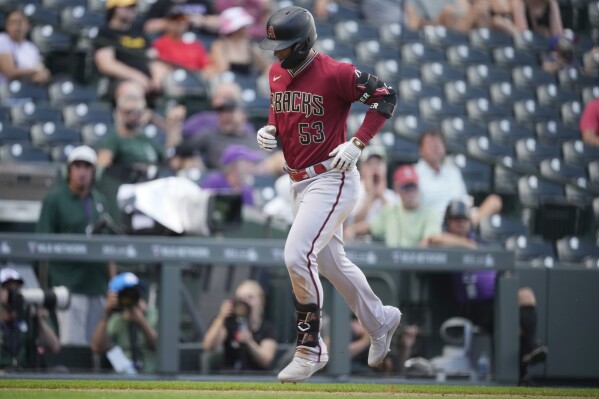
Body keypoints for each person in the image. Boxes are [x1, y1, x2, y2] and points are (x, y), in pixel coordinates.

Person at [256, 6, 401, 382]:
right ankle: (380, 320)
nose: (277, 53)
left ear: (304, 43)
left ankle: (310, 347)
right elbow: (281, 108)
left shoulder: (336, 72)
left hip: (332, 178)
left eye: (285, 46)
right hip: (298, 182)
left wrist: (358, 141)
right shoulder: (276, 72)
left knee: (296, 254)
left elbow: (386, 96)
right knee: (333, 265)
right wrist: (271, 128)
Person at [425, 200, 548, 383]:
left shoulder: (478, 240)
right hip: (472, 306)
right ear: (449, 222)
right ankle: (525, 364)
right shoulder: (449, 241)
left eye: (464, 219)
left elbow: (496, 201)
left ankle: (527, 354)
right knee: (511, 321)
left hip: (494, 300)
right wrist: (467, 244)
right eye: (456, 219)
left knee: (525, 296)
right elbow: (432, 240)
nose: (460, 223)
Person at [36, 146, 117, 346]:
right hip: (69, 286)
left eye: (87, 167)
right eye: (77, 166)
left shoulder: (99, 200)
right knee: (72, 346)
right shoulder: (55, 199)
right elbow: (41, 244)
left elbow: (109, 247)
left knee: (94, 348)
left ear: (93, 172)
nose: (82, 172)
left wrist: (112, 286)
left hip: (97, 286)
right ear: (69, 170)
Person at [96, 83, 166, 218]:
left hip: (151, 192)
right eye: (128, 112)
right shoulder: (115, 139)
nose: (133, 116)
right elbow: (101, 167)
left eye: (137, 112)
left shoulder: (146, 140)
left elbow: (169, 159)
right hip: (127, 192)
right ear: (119, 113)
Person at [415, 130, 503, 226]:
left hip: (460, 217)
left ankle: (466, 228)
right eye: (430, 144)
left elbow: (463, 199)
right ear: (421, 150)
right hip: (434, 223)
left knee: (494, 201)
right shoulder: (414, 173)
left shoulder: (453, 172)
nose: (436, 147)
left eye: (439, 143)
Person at [94, 0, 170, 97]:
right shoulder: (106, 34)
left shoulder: (140, 34)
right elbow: (107, 65)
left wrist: (157, 78)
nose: (132, 10)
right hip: (120, 80)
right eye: (128, 7)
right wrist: (137, 77)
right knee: (131, 90)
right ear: (114, 8)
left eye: (134, 6)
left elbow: (154, 58)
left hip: (147, 80)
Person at [202, 279, 277, 371]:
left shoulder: (266, 328)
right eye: (241, 299)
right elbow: (208, 346)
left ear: (261, 300)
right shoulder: (228, 322)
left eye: (250, 297)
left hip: (256, 376)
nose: (245, 302)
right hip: (229, 374)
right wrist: (221, 317)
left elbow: (266, 360)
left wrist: (249, 342)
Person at [90, 272, 158, 373]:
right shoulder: (114, 319)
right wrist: (107, 313)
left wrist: (141, 320)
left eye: (134, 292)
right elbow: (97, 348)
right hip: (122, 377)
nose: (129, 297)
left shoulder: (152, 314)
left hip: (150, 376)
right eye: (125, 294)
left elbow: (158, 346)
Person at [366, 164, 441, 248]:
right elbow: (371, 228)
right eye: (405, 187)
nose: (410, 191)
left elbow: (428, 241)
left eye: (413, 186)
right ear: (397, 189)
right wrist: (352, 230)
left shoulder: (430, 213)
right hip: (390, 259)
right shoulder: (390, 210)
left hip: (419, 259)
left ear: (418, 188)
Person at [0, 268, 60, 370]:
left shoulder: (28, 314)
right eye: (8, 288)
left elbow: (55, 347)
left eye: (16, 288)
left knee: (60, 371)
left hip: (25, 374)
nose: (13, 293)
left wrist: (39, 321)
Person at [343, 145, 398, 242]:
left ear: (385, 168)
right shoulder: (353, 190)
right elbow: (349, 226)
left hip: (386, 245)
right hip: (357, 243)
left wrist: (381, 196)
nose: (374, 167)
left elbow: (398, 224)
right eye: (370, 164)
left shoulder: (391, 196)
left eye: (378, 163)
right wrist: (370, 197)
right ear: (361, 168)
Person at [152, 8, 216, 79]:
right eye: (174, 19)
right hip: (171, 79)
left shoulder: (195, 44)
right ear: (167, 22)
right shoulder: (159, 43)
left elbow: (207, 67)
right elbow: (157, 65)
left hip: (194, 79)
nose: (178, 23)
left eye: (182, 19)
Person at [209, 7, 272, 77]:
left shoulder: (249, 45)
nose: (247, 29)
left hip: (250, 84)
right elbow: (221, 70)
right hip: (228, 84)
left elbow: (267, 66)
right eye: (243, 26)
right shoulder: (220, 45)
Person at [0, 9, 51, 85]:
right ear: (7, 25)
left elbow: (41, 67)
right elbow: (10, 71)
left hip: (28, 90)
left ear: (27, 25)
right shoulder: (2, 40)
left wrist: (44, 74)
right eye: (12, 22)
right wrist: (35, 71)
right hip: (5, 91)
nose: (16, 27)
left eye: (20, 23)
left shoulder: (31, 47)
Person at [143, 0, 221, 37]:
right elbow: (148, 27)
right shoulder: (161, 3)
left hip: (201, 38)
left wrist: (203, 20)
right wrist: (172, 20)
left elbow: (220, 23)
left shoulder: (203, 2)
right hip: (171, 40)